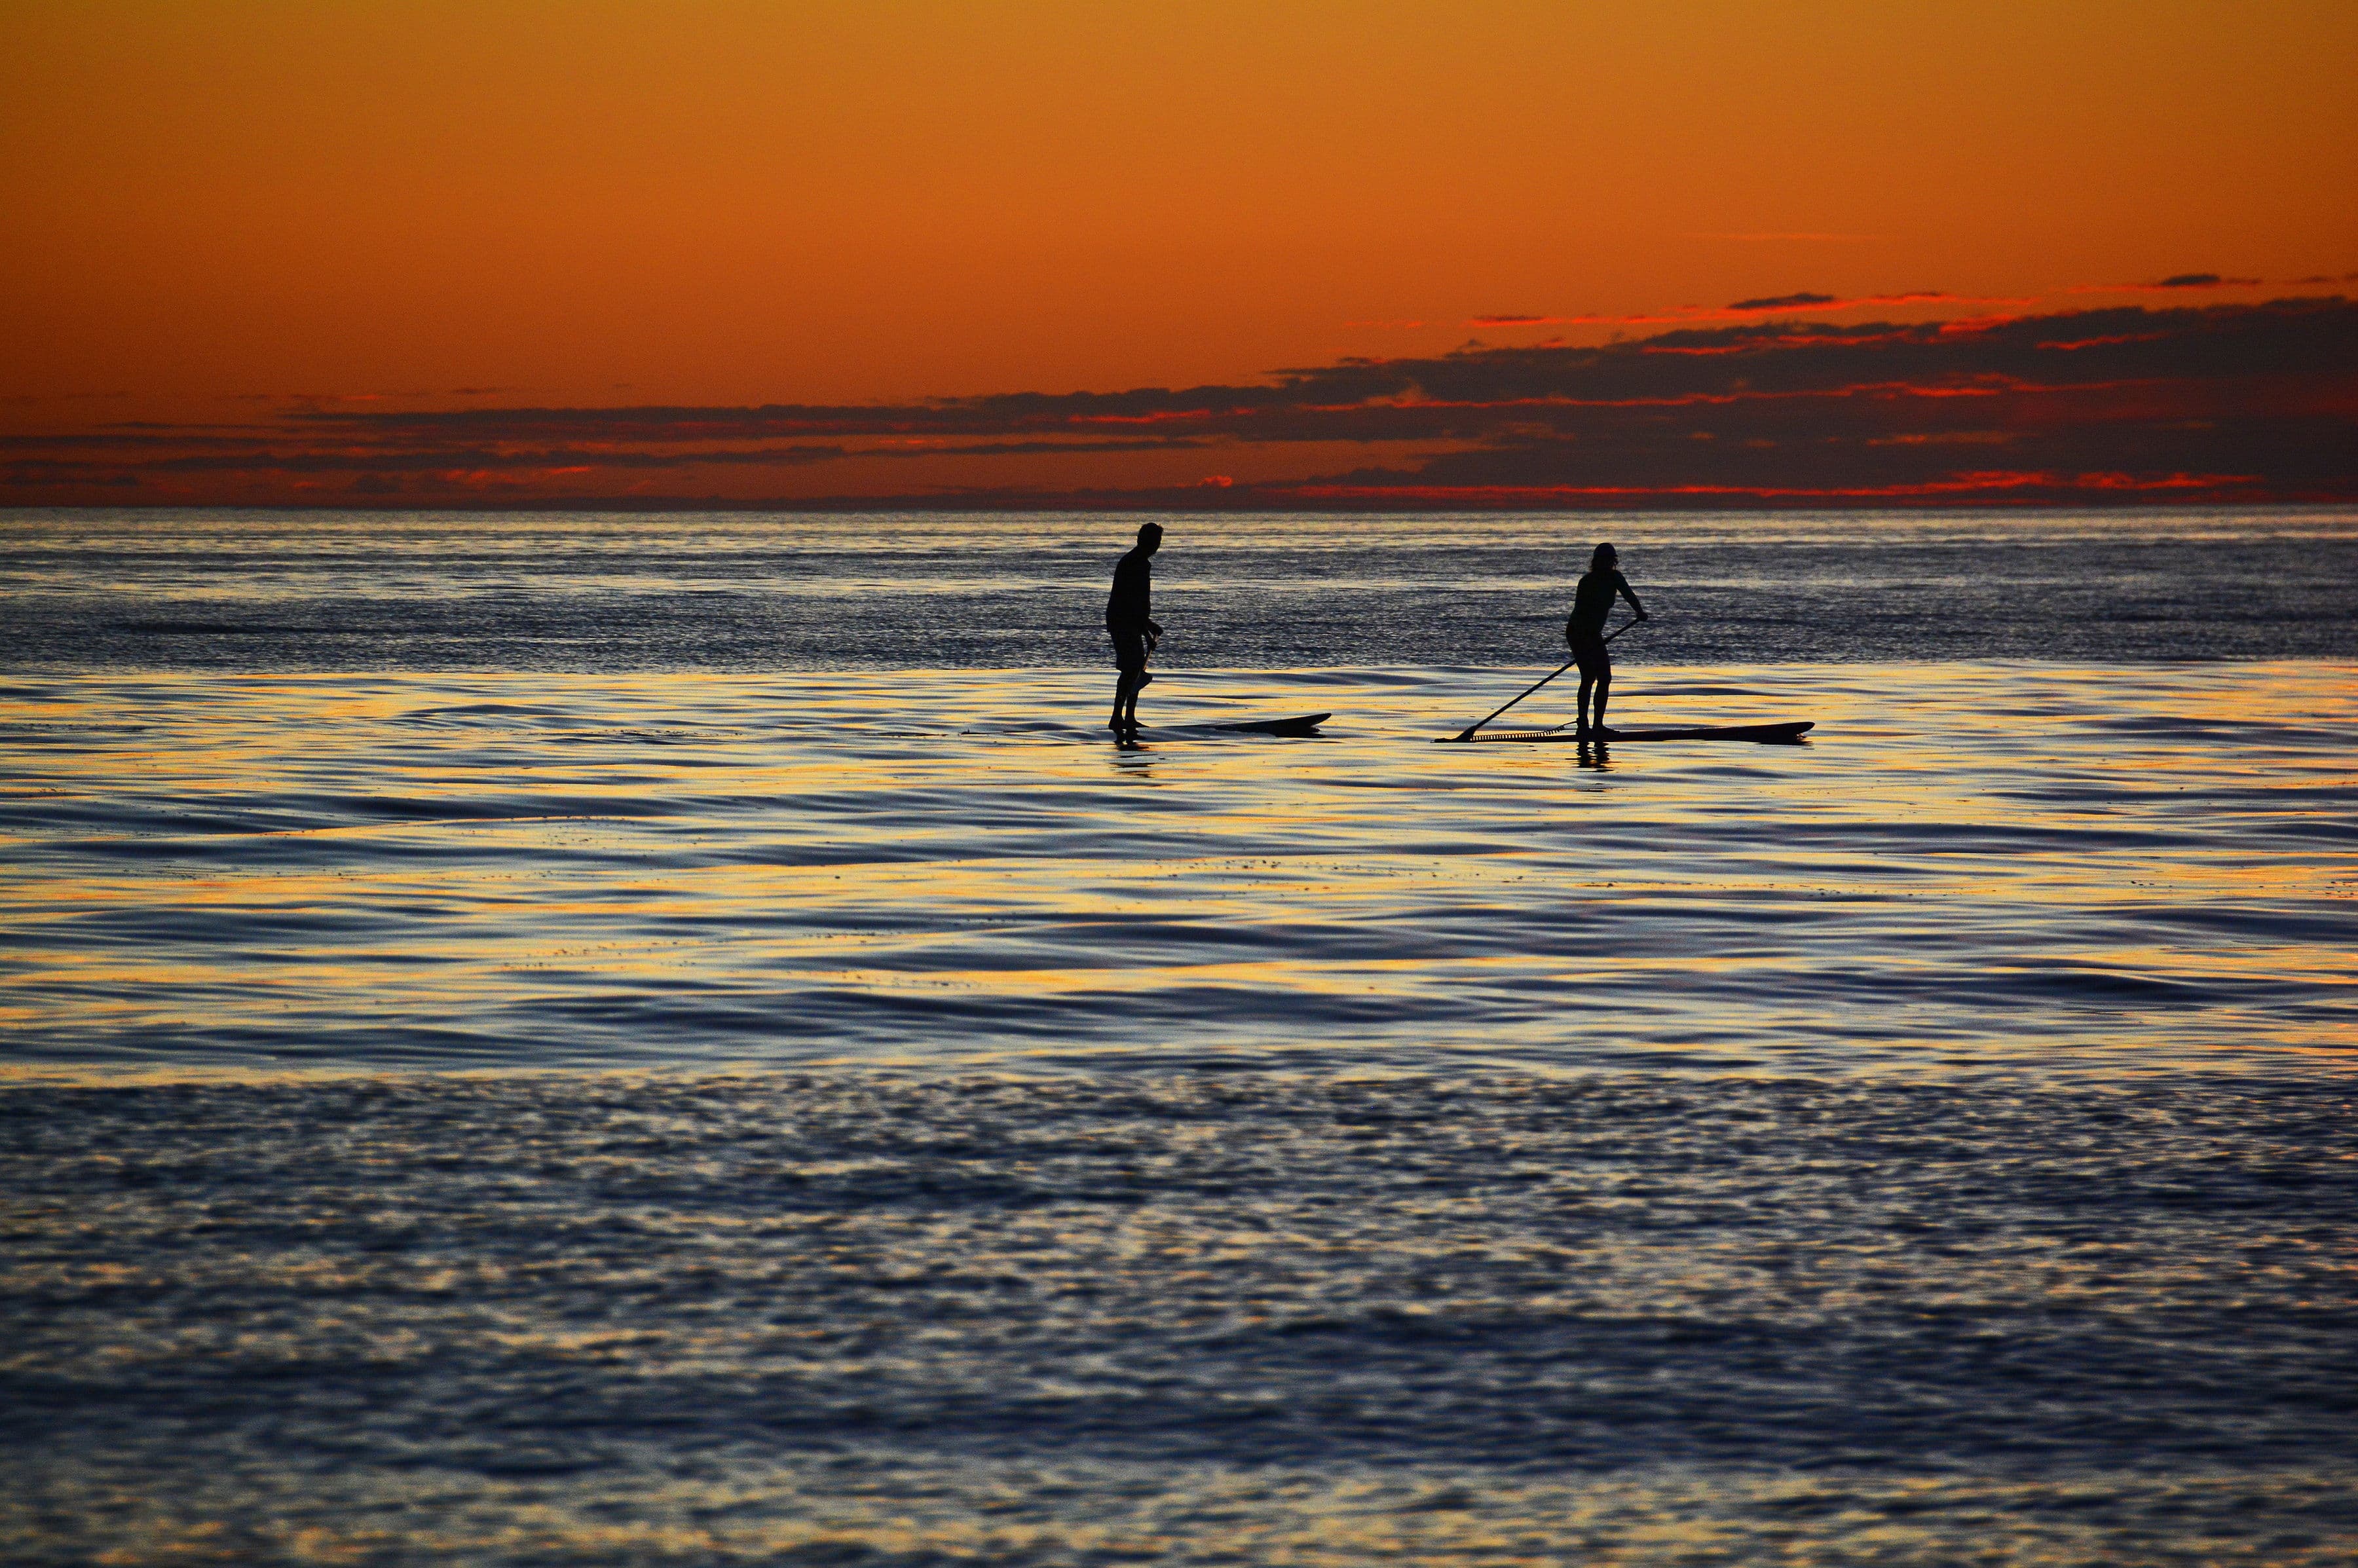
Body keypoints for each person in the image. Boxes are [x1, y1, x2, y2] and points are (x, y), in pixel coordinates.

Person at [1566, 541, 1647, 738]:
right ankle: (1583, 725)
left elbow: (1629, 595)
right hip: (1579, 633)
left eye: (1610, 561)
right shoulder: (1586, 582)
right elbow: (1582, 613)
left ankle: (1598, 726)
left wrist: (1639, 612)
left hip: (1594, 635)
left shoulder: (1616, 578)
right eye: (1603, 561)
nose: (1607, 564)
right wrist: (1588, 644)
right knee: (1589, 677)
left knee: (1605, 678)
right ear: (1596, 562)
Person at [1106, 522, 1164, 739]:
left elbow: (1137, 606)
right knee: (1131, 670)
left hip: (1128, 619)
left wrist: (1148, 625)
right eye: (1155, 542)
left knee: (1135, 669)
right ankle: (1117, 717)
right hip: (1123, 621)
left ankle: (1128, 717)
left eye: (1158, 542)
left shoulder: (1136, 562)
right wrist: (1148, 634)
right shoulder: (1135, 564)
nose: (1157, 546)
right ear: (1144, 541)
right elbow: (1131, 605)